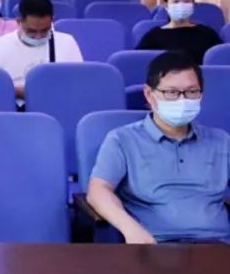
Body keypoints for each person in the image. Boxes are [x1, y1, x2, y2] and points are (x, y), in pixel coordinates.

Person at [88, 51, 229, 244]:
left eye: (191, 92)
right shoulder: (122, 139)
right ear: (149, 94)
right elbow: (98, 190)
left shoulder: (221, 140)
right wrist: (130, 229)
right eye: (171, 92)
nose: (182, 100)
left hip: (218, 245)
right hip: (154, 245)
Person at [0, 0, 83, 100]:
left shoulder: (67, 42)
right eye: (31, 31)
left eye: (44, 30)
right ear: (19, 22)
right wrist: (17, 91)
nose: (38, 36)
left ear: (52, 21)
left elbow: (78, 82)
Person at [137, 0, 222, 65]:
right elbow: (139, 61)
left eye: (187, 1)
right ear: (166, 6)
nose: (181, 5)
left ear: (193, 5)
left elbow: (220, 57)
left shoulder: (207, 33)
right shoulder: (154, 35)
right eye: (176, 1)